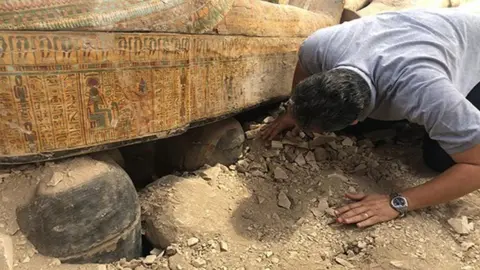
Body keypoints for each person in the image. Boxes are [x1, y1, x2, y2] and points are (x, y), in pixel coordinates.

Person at [260, 8, 480, 228]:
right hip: (423, 32)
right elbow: (304, 66)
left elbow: (476, 164)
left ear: (356, 119)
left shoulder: (425, 91)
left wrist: (398, 203)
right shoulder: (318, 46)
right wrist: (293, 113)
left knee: (439, 158)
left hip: (472, 47)